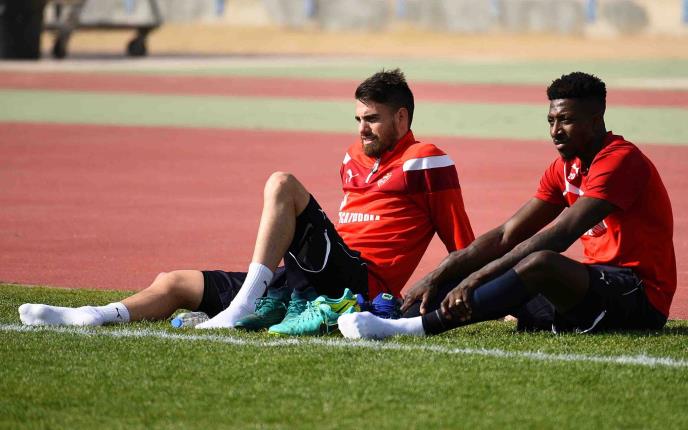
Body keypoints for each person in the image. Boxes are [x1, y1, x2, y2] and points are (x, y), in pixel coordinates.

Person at [19, 69, 475, 336]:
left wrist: (485, 293)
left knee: (282, 183)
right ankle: (91, 315)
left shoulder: (427, 160)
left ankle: (241, 306)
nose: (361, 129)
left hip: (358, 283)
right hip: (308, 275)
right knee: (174, 282)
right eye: (357, 118)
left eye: (372, 119)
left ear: (401, 117)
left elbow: (462, 243)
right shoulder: (353, 158)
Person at [339, 71, 676, 339]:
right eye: (551, 121)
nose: (556, 131)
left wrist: (478, 277)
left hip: (638, 296)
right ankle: (394, 318)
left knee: (540, 262)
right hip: (591, 295)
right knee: (473, 264)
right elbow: (506, 235)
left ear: (596, 119)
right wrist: (443, 272)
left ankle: (413, 329)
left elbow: (560, 235)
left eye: (566, 120)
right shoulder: (564, 167)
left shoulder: (620, 161)